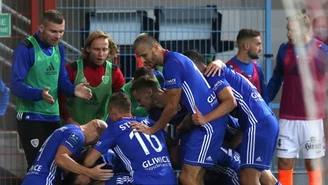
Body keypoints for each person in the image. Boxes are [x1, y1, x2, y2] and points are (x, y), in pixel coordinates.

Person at [130, 33, 229, 185]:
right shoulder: (175, 61)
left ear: (156, 47)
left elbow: (172, 106)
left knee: (186, 178)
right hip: (208, 124)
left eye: (144, 55)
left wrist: (151, 130)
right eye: (139, 57)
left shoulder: (171, 65)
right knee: (196, 178)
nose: (143, 61)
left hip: (208, 126)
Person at [10, 9, 92, 170]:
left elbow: (61, 80)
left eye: (61, 32)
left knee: (56, 165)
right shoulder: (26, 49)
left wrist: (74, 90)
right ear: (41, 27)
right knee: (37, 166)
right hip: (30, 116)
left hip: (53, 117)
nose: (58, 36)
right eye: (53, 31)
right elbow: (15, 85)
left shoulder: (58, 49)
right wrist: (38, 94)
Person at [184, 49, 280, 185]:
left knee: (248, 178)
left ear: (191, 68)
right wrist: (232, 143)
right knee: (264, 177)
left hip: (257, 123)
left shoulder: (210, 75)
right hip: (263, 121)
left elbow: (230, 102)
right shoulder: (217, 71)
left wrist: (205, 119)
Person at [266, 13, 328, 185]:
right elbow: (276, 79)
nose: (288, 34)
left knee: (312, 163)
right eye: (287, 30)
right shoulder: (284, 50)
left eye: (291, 30)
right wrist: (263, 102)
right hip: (287, 117)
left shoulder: (322, 51)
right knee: (284, 161)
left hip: (312, 120)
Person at [84, 92, 177, 185]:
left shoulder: (113, 129)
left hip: (145, 182)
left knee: (101, 182)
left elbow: (89, 161)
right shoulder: (150, 123)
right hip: (170, 180)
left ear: (112, 111)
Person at [59, 30, 125, 125]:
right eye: (97, 49)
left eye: (104, 49)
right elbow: (60, 100)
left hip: (100, 128)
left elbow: (122, 101)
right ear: (88, 49)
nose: (100, 54)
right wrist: (70, 121)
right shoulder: (72, 69)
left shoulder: (114, 72)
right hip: (73, 127)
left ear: (109, 50)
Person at [20, 119, 111, 185]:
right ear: (96, 128)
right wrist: (90, 172)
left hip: (32, 178)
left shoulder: (69, 129)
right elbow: (60, 159)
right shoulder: (78, 135)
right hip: (45, 179)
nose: (93, 145)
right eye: (97, 141)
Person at [226, 29, 267, 98]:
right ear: (246, 46)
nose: (261, 49)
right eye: (258, 44)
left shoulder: (257, 68)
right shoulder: (229, 70)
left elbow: (264, 96)